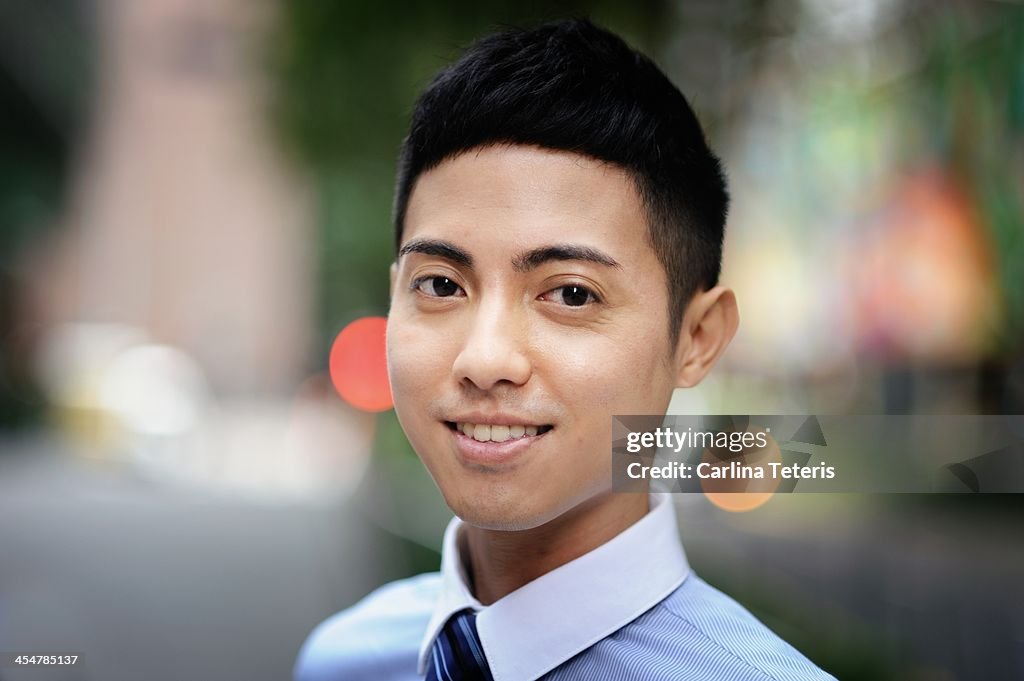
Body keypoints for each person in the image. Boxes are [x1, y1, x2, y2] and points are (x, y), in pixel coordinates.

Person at [295, 18, 834, 681]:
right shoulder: (346, 660)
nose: (485, 358)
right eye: (440, 284)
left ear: (696, 339)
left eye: (571, 294)